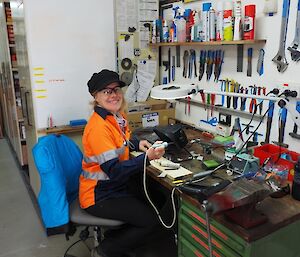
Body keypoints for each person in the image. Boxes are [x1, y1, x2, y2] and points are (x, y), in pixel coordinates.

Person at [79, 69, 165, 257]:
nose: (114, 95)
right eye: (107, 91)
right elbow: (115, 170)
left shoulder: (116, 117)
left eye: (116, 89)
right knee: (149, 220)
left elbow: (120, 143)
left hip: (113, 187)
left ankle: (120, 239)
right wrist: (147, 158)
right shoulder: (98, 127)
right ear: (96, 96)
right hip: (98, 194)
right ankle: (104, 251)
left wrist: (136, 143)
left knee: (158, 198)